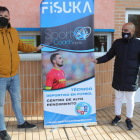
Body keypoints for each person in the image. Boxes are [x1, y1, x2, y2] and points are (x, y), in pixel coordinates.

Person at [0, 6, 43, 140]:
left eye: (5, 16)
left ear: (9, 18)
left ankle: (21, 122)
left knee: (17, 100)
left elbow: (21, 46)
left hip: (14, 75)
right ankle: (2, 130)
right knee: (0, 105)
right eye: (0, 15)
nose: (3, 18)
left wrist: (36, 48)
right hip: (0, 76)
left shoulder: (13, 31)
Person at [92, 23, 140, 130]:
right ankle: (117, 116)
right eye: (122, 30)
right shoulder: (117, 43)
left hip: (131, 77)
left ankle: (128, 118)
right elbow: (109, 55)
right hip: (118, 76)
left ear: (132, 32)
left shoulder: (138, 44)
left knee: (130, 100)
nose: (123, 32)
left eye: (126, 30)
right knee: (118, 98)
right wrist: (97, 60)